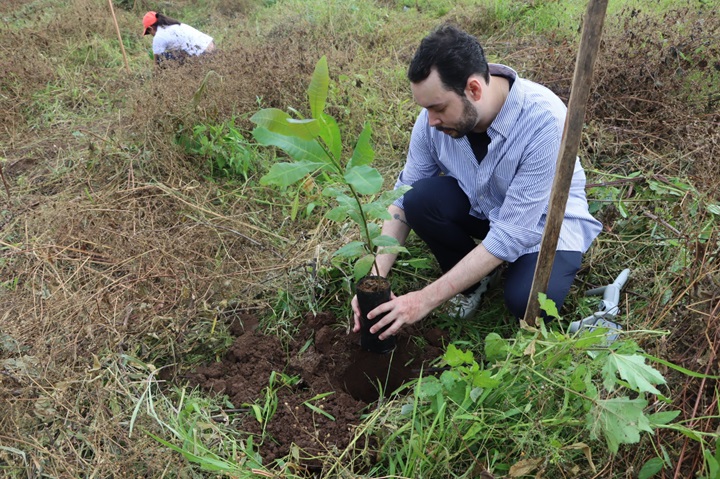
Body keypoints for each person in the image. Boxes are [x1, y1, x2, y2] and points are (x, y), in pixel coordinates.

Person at [351, 24, 602, 340]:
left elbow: (511, 234)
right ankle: (473, 281)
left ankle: (500, 274)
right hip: (486, 208)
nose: (430, 120)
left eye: (438, 107)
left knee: (527, 303)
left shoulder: (545, 122)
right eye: (425, 108)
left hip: (544, 225)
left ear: (473, 89)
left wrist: (422, 301)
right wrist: (374, 280)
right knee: (417, 197)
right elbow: (402, 199)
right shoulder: (435, 122)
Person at [142, 11, 215, 65]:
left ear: (150, 28)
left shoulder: (159, 37)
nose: (151, 35)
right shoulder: (174, 25)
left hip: (203, 54)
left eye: (149, 32)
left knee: (161, 59)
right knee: (179, 54)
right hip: (211, 46)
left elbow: (157, 64)